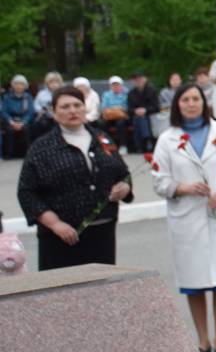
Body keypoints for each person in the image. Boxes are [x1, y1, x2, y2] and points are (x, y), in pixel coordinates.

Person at [151, 81, 216, 352]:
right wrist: (183, 187)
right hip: (187, 219)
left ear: (204, 102)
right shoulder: (168, 139)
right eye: (185, 99)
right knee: (195, 284)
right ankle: (202, 342)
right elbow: (159, 180)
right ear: (177, 104)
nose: (191, 104)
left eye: (195, 99)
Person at [16, 86, 134, 270]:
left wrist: (124, 188)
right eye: (65, 107)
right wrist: (55, 224)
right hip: (61, 238)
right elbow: (27, 192)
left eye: (77, 105)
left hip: (102, 233)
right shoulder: (42, 148)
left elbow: (123, 174)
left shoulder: (102, 139)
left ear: (84, 108)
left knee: (101, 285)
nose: (72, 110)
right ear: (54, 112)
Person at [2, 75, 35, 159]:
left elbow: (30, 112)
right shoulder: (7, 97)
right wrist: (11, 122)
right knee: (8, 130)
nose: (19, 86)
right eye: (16, 84)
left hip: (24, 120)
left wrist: (23, 122)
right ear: (13, 85)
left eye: (21, 84)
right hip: (11, 120)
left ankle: (28, 153)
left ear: (25, 86)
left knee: (27, 129)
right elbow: (4, 111)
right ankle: (9, 153)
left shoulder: (28, 97)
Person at [127, 70, 158, 154]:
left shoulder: (152, 90)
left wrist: (145, 110)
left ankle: (140, 146)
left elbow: (156, 107)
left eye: (140, 79)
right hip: (136, 116)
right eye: (136, 79)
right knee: (139, 118)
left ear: (145, 79)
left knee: (141, 119)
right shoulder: (131, 93)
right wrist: (136, 111)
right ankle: (147, 140)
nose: (138, 81)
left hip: (150, 115)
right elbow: (129, 109)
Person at [28, 71, 63, 146]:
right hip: (44, 116)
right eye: (51, 82)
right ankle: (38, 145)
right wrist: (40, 110)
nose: (53, 84)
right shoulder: (41, 93)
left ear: (60, 83)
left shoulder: (63, 93)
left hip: (59, 117)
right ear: (47, 83)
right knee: (35, 126)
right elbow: (36, 104)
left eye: (56, 82)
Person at [100, 76, 129, 146]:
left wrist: (113, 109)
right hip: (109, 117)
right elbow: (103, 107)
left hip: (122, 116)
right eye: (113, 85)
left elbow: (127, 107)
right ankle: (106, 144)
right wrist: (117, 108)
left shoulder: (126, 94)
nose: (116, 87)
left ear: (121, 85)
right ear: (110, 86)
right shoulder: (106, 94)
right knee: (102, 124)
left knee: (121, 124)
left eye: (117, 85)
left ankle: (123, 145)